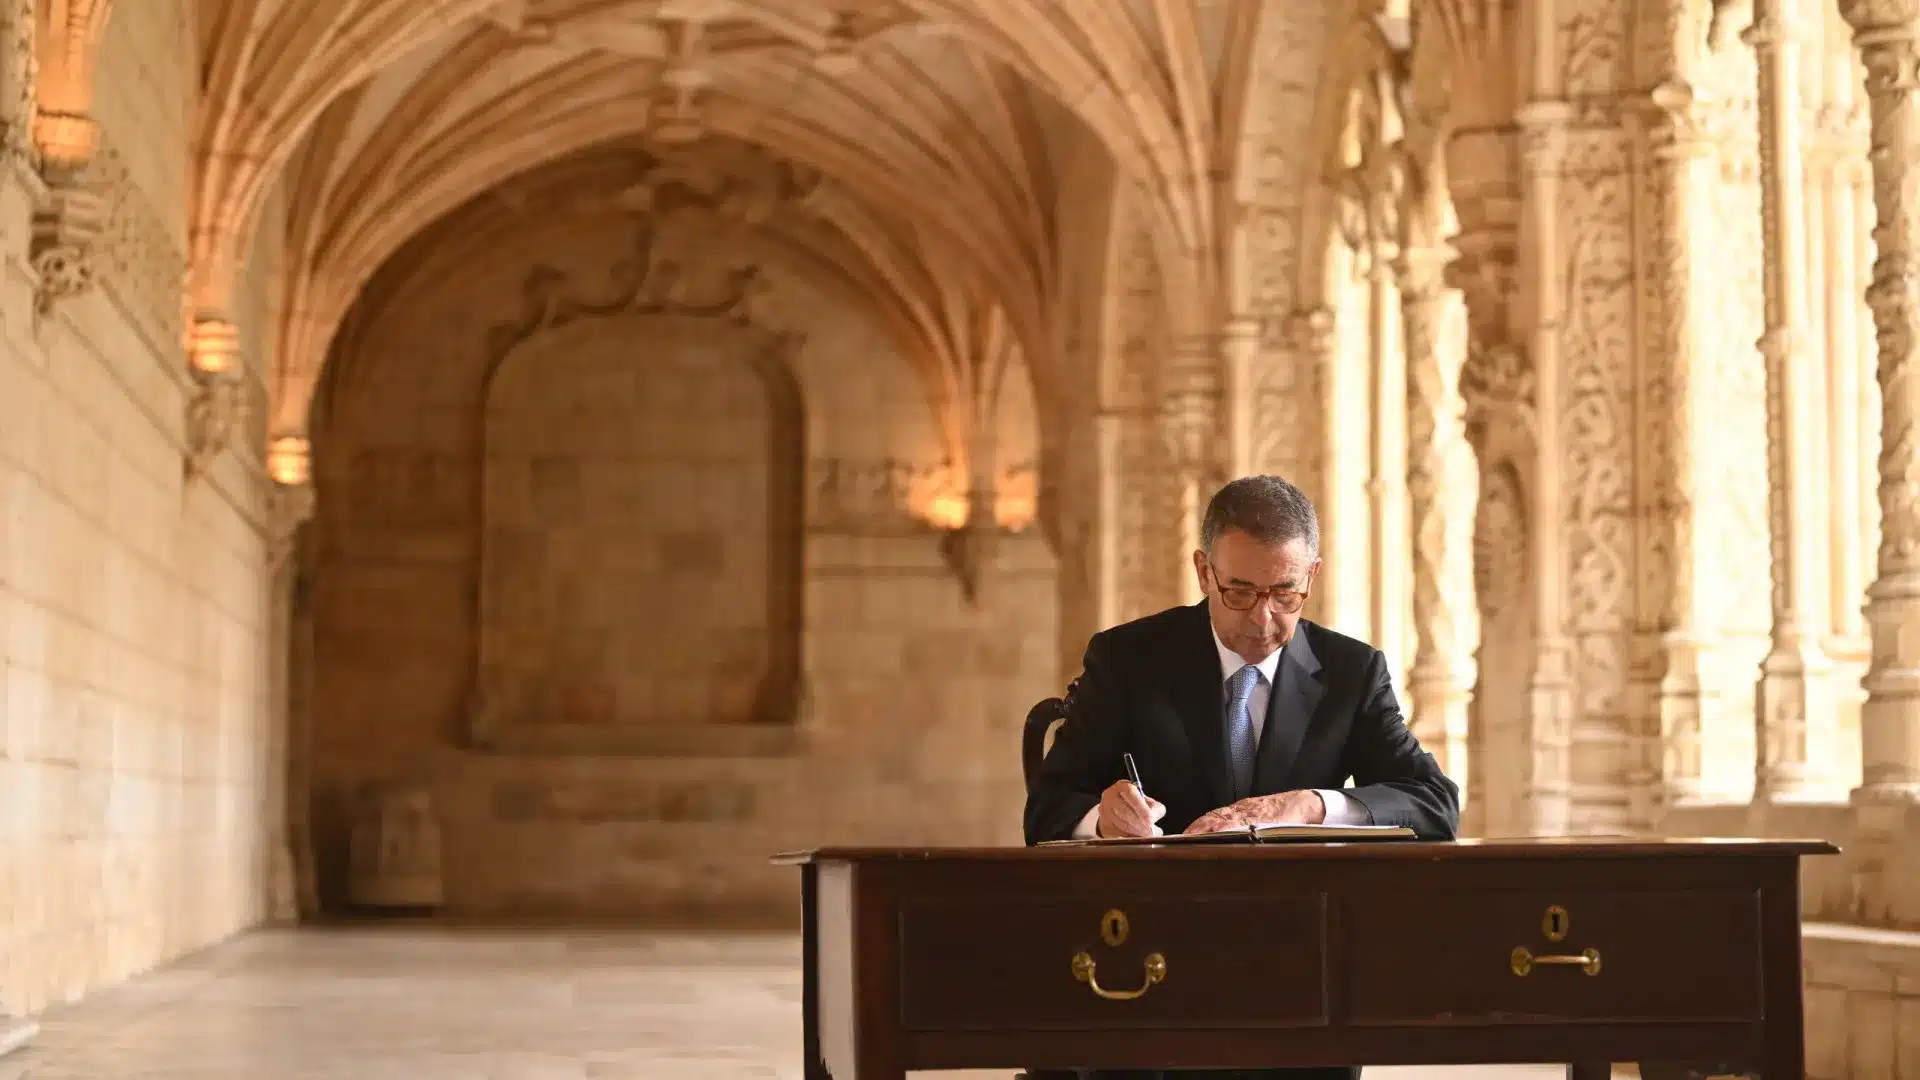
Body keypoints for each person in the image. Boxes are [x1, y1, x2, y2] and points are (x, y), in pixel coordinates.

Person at [1022, 475, 1460, 1080]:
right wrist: (1101, 818)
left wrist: (1310, 806)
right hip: (1148, 957)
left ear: (1311, 577)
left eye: (1284, 594)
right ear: (1204, 572)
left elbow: (1434, 803)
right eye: (1240, 592)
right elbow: (1047, 807)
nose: (1262, 618)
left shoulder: (1351, 672)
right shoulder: (1127, 659)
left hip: (1297, 961)